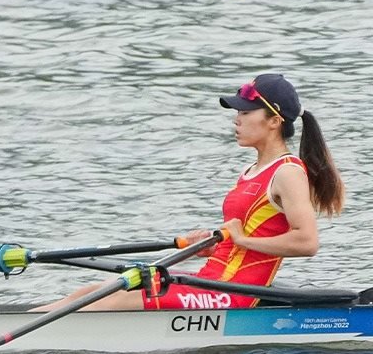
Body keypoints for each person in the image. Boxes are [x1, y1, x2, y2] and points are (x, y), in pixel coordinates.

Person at [57, 73, 344, 312]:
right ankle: (33, 323)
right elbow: (250, 238)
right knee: (99, 289)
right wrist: (213, 247)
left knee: (119, 299)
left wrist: (241, 239)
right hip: (213, 279)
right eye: (237, 112)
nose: (237, 120)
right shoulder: (251, 171)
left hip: (236, 293)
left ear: (274, 121)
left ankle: (43, 336)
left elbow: (307, 242)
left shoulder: (288, 172)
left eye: (245, 112)